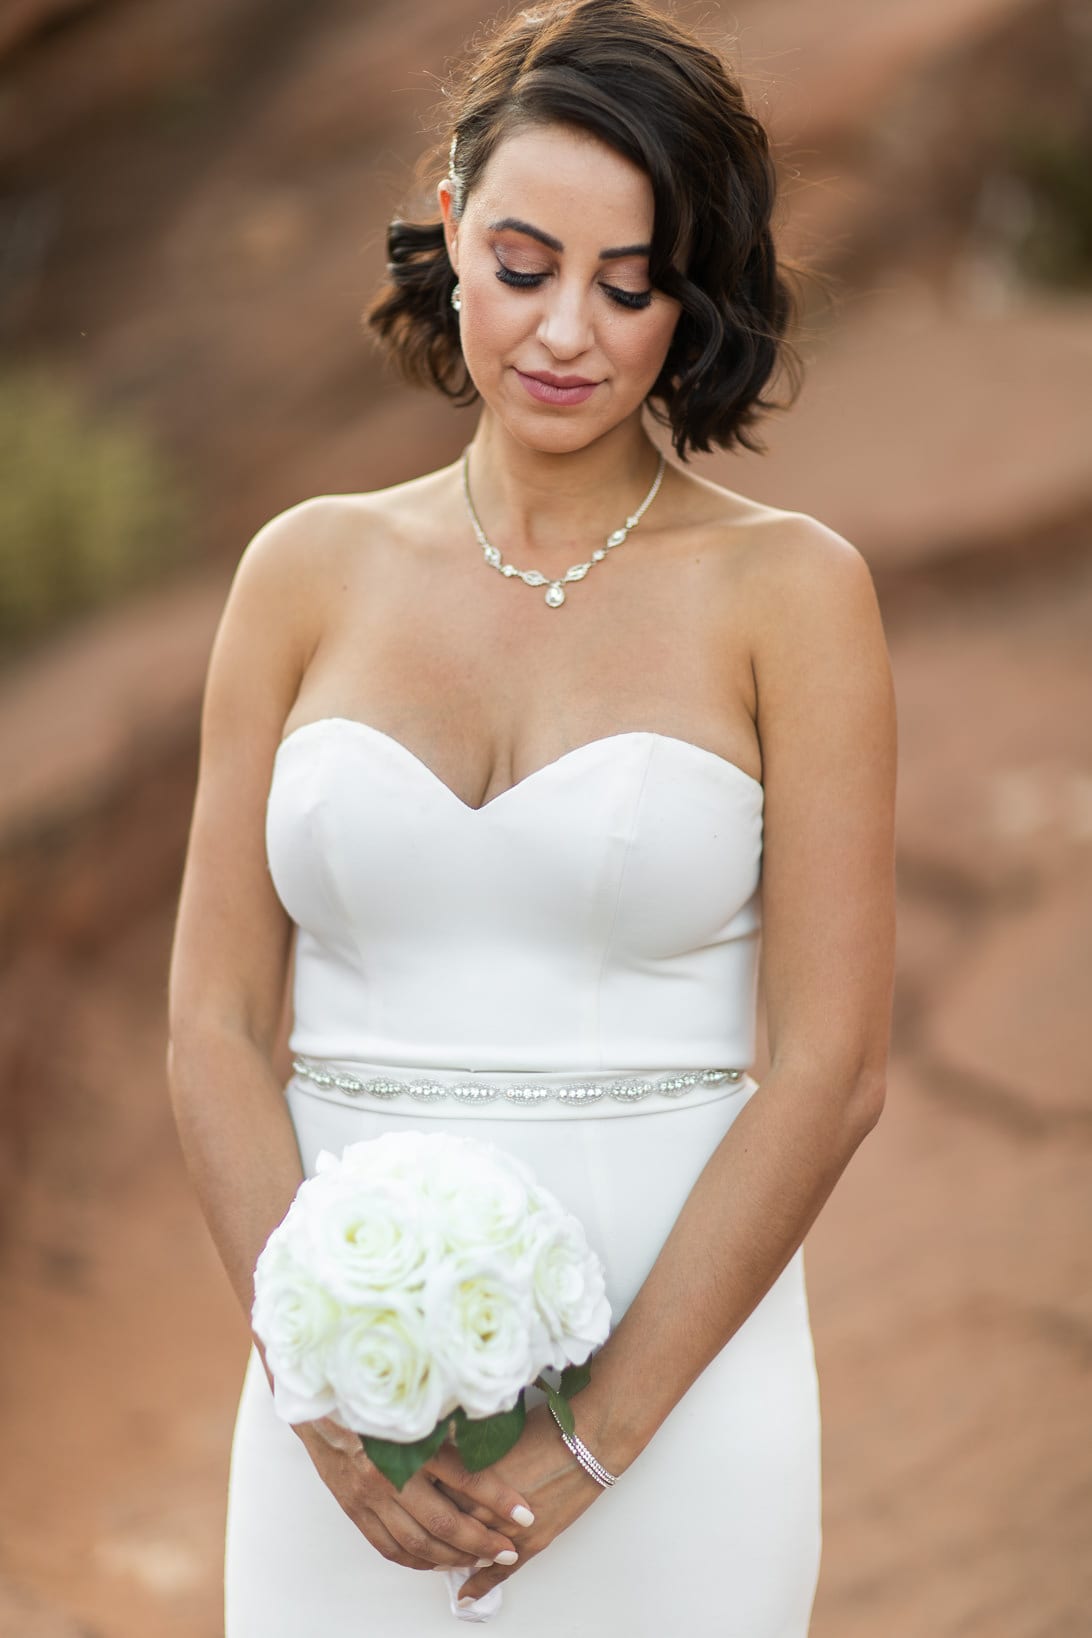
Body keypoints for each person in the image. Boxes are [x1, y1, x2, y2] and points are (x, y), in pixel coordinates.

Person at [166, 1, 896, 1632]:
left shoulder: (792, 592)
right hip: (339, 1422)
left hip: (682, 1411)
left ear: (690, 294)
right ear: (448, 222)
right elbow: (211, 1021)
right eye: (522, 263)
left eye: (628, 284)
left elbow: (835, 1062)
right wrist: (315, 1394)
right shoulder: (301, 571)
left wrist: (597, 1434)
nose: (566, 329)